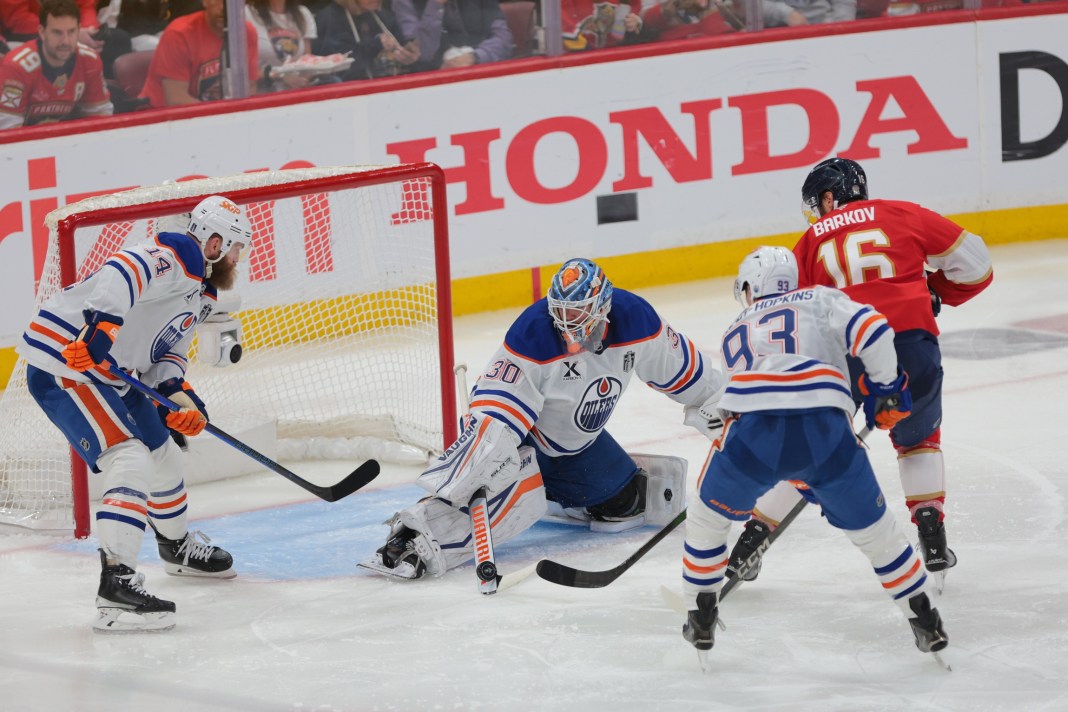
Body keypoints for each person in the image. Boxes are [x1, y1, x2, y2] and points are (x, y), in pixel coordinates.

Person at [360, 257, 725, 579]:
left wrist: (737, 422)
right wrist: (481, 460)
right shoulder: (534, 334)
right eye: (561, 313)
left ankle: (546, 491)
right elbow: (495, 414)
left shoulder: (637, 321)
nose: (567, 325)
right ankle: (415, 539)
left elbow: (697, 381)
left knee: (629, 502)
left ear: (603, 307)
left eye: (577, 315)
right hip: (526, 439)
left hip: (573, 448)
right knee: (497, 461)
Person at [727, 157, 994, 585]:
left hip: (843, 353)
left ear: (829, 197)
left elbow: (790, 312)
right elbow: (978, 265)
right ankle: (932, 534)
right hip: (912, 344)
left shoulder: (811, 240)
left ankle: (751, 541)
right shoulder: (904, 213)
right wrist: (933, 292)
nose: (815, 214)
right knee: (918, 441)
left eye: (816, 204)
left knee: (806, 447)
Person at [680, 246, 948, 657]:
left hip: (752, 436)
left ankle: (700, 611)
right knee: (878, 535)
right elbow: (874, 329)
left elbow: (744, 410)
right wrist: (887, 388)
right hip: (827, 432)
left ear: (752, 287)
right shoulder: (820, 298)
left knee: (706, 520)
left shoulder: (734, 328)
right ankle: (924, 616)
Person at [18, 195, 252, 632]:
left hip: (114, 375)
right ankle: (116, 586)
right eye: (236, 246)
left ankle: (175, 547)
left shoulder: (200, 294)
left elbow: (167, 356)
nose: (238, 258)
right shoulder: (175, 255)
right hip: (67, 365)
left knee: (166, 458)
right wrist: (100, 330)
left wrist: (182, 401)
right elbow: (122, 270)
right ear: (214, 241)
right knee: (130, 459)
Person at [0, 0, 113, 129]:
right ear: (42, 32)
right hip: (26, 140)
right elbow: (7, 132)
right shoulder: (17, 68)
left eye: (71, 32)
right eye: (57, 32)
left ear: (79, 30)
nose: (65, 41)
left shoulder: (90, 61)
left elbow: (101, 118)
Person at [140, 0, 259, 107]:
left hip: (216, 114)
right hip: (162, 116)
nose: (224, 7)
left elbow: (249, 89)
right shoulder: (179, 34)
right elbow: (176, 100)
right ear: (204, 2)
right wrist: (222, 115)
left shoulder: (246, 33)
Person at [391, 0, 511, 72]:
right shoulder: (404, 2)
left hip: (481, 73)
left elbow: (503, 39)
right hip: (432, 83)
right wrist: (435, 5)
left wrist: (474, 57)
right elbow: (422, 54)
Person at [313, 0, 419, 80]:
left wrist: (407, 53)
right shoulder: (330, 19)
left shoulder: (383, 16)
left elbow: (400, 45)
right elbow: (337, 66)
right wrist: (375, 45)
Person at [245, 0, 318, 92]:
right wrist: (280, 75)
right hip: (262, 94)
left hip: (296, 93)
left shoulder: (303, 13)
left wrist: (304, 78)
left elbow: (306, 60)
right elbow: (241, 72)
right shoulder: (247, 14)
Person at [561, 0, 645, 52]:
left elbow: (640, 22)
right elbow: (569, 36)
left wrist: (635, 23)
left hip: (615, 57)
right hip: (578, 62)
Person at [640, 0, 743, 41]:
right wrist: (667, 11)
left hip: (720, 42)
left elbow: (739, 20)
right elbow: (643, 22)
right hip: (674, 47)